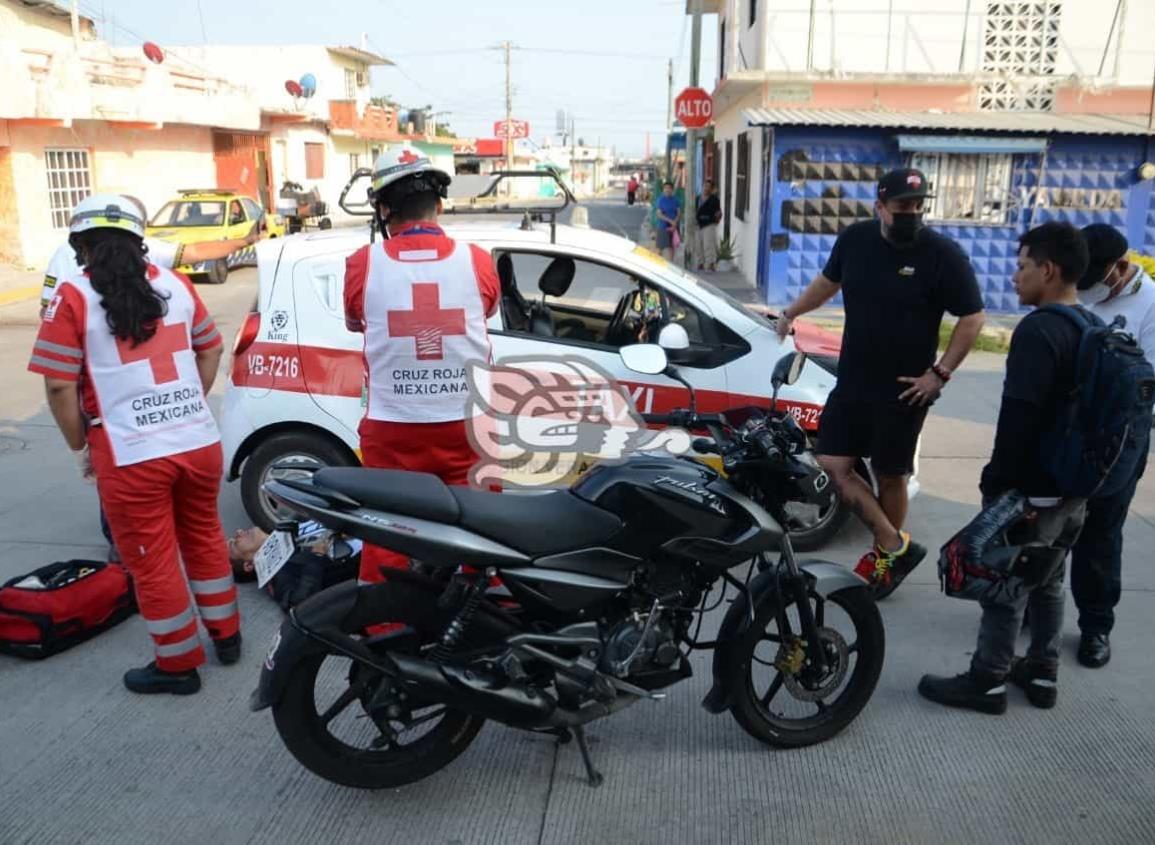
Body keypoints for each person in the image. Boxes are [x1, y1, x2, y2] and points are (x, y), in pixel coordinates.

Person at [28, 194, 240, 696]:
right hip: (197, 443)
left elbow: (59, 385)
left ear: (81, 244)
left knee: (152, 558)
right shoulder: (177, 284)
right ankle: (227, 637)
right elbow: (210, 347)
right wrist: (188, 400)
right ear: (137, 240)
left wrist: (80, 441)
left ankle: (178, 664)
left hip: (131, 454)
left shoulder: (74, 296)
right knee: (206, 538)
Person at [775, 168, 986, 595]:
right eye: (901, 207)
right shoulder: (856, 240)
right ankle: (895, 545)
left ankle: (883, 561)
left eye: (917, 206)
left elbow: (973, 317)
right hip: (853, 379)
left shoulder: (942, 254)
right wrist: (790, 312)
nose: (911, 214)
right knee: (833, 464)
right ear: (880, 207)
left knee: (891, 476)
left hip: (905, 389)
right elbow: (826, 283)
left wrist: (938, 374)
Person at [919, 221, 1092, 714]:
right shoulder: (1092, 327)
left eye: (1022, 267)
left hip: (1032, 490)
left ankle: (988, 680)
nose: (1014, 277)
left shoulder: (1039, 331)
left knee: (1005, 581)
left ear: (1049, 270)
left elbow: (1019, 417)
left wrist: (999, 485)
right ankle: (1041, 672)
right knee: (1050, 578)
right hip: (1076, 490)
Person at [344, 145, 501, 586]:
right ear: (440, 205)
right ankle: (483, 627)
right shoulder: (478, 261)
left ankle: (383, 633)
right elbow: (484, 312)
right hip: (469, 427)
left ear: (383, 208)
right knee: (484, 532)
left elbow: (358, 320)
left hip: (394, 427)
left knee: (387, 533)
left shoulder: (362, 264)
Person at [1065, 224, 1155, 668]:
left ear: (1121, 268)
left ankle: (1095, 626)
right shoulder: (1076, 292)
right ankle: (1031, 605)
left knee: (1100, 534)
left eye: (1094, 282)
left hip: (1120, 439)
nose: (1087, 292)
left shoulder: (1151, 304)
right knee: (1045, 522)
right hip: (1065, 431)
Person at [40, 197, 257, 318]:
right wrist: (245, 241)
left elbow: (47, 309)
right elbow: (210, 350)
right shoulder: (178, 284)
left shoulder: (69, 289)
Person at [695, 180, 722, 271]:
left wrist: (717, 220)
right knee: (699, 245)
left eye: (709, 187)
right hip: (699, 224)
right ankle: (701, 263)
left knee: (708, 244)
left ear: (711, 189)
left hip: (709, 224)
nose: (706, 188)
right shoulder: (698, 198)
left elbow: (718, 212)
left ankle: (710, 263)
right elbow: (695, 210)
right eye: (705, 186)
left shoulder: (714, 199)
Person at [655, 181, 681, 260]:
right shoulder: (660, 200)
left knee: (672, 247)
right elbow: (659, 214)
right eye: (665, 188)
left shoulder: (675, 200)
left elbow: (679, 213)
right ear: (663, 190)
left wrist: (675, 222)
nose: (667, 190)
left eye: (669, 188)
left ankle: (670, 264)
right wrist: (670, 221)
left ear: (672, 190)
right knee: (661, 248)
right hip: (663, 227)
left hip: (674, 228)